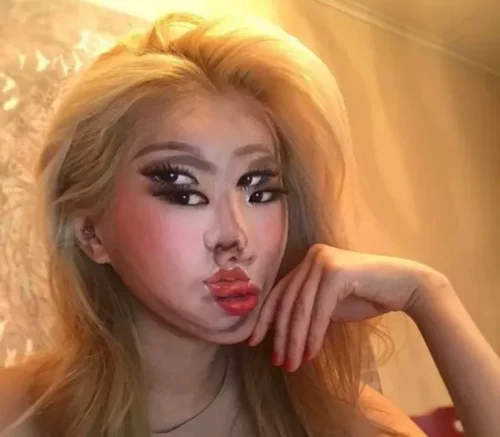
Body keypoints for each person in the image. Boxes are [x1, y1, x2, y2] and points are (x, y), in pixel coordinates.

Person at [0, 11, 498, 437]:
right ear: (91, 232)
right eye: (184, 192)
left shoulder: (327, 415)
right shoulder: (20, 412)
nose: (234, 237)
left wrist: (428, 294)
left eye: (260, 191)